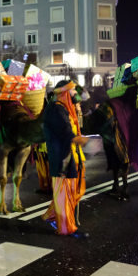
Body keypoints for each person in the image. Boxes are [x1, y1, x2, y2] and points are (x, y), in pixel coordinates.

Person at [41, 80, 90, 236]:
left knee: (76, 190)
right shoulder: (56, 109)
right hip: (62, 158)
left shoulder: (64, 108)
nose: (76, 93)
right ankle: (66, 228)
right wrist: (77, 139)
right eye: (73, 91)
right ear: (64, 93)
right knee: (64, 194)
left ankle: (51, 215)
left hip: (70, 156)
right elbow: (64, 130)